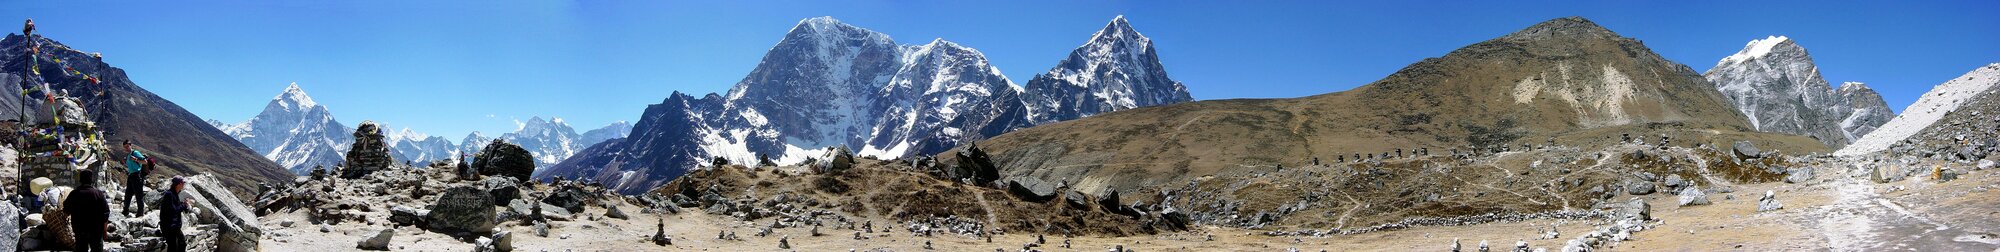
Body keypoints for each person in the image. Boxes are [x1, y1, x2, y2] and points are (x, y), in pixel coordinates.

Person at [64, 171, 111, 252]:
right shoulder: (98, 194)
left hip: (80, 230)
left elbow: (66, 212)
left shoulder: (74, 194)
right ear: (91, 180)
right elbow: (105, 214)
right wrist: (105, 231)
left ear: (80, 180)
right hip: (96, 231)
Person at [159, 177, 193, 252]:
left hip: (174, 226)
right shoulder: (169, 194)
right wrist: (184, 205)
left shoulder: (174, 193)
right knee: (173, 247)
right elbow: (173, 210)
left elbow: (175, 207)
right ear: (179, 184)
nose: (184, 184)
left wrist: (184, 205)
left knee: (181, 244)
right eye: (183, 183)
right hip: (169, 226)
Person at [121, 140, 148, 216]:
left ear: (130, 145)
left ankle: (140, 212)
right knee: (128, 194)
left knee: (138, 195)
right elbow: (130, 165)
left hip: (137, 175)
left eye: (127, 146)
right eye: (125, 147)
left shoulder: (135, 153)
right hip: (131, 176)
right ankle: (125, 210)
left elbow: (145, 161)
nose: (126, 148)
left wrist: (136, 159)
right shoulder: (129, 155)